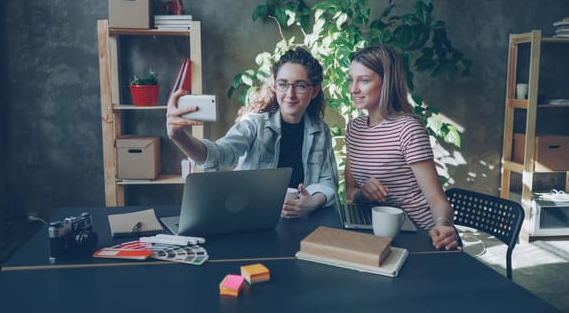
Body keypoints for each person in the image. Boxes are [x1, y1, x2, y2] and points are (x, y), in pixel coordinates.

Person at [167, 47, 338, 218]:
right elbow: (218, 155)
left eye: (300, 85)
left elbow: (328, 182)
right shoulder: (253, 124)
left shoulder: (320, 131)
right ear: (275, 86)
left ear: (314, 91)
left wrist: (311, 203)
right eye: (283, 84)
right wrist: (179, 136)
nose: (290, 94)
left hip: (301, 221)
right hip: (252, 218)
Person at [344, 44, 461, 251]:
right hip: (383, 236)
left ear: (386, 82)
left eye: (364, 80)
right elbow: (350, 192)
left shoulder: (407, 129)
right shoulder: (354, 129)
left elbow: (436, 200)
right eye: (351, 80)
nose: (353, 89)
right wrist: (364, 194)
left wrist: (442, 226)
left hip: (421, 236)